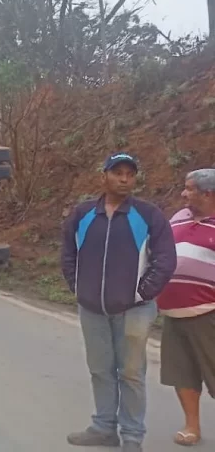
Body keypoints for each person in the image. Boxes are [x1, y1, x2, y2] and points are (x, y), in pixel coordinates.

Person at [60, 152, 177, 452]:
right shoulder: (83, 214)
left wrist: (142, 293)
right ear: (104, 176)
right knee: (100, 370)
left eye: (130, 174)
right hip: (92, 309)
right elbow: (68, 254)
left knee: (131, 373)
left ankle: (132, 436)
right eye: (118, 173)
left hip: (134, 310)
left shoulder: (149, 215)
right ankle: (103, 428)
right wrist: (77, 287)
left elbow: (165, 260)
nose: (124, 179)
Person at [156, 168, 215, 447]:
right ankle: (192, 426)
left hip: (209, 312)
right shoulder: (178, 218)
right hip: (173, 312)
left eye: (189, 188)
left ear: (207, 193)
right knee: (182, 373)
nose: (183, 193)